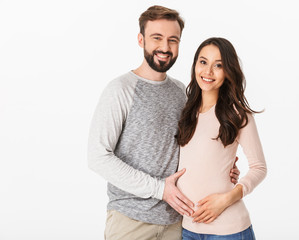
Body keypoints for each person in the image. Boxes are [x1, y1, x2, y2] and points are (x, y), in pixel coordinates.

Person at [87, 6, 239, 240]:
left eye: (173, 40)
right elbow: (98, 157)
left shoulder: (182, 92)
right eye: (157, 38)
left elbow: (190, 146)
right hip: (131, 222)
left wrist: (221, 165)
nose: (165, 47)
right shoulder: (120, 90)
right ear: (141, 40)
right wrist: (159, 190)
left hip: (178, 222)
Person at [176, 37, 267, 240]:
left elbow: (259, 167)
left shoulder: (237, 114)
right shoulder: (186, 112)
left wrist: (226, 200)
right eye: (203, 62)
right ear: (194, 66)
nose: (208, 72)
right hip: (189, 229)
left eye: (218, 65)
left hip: (229, 231)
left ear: (228, 71)